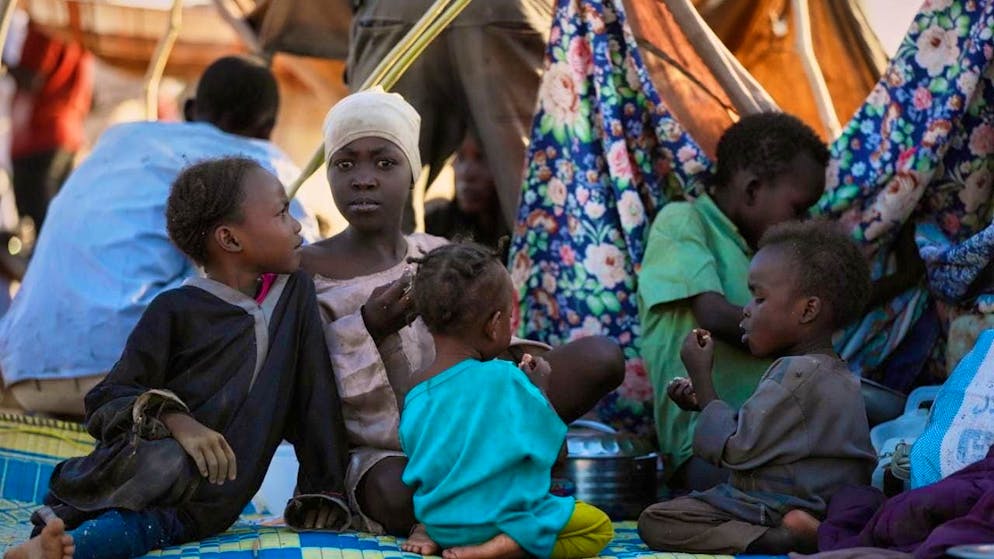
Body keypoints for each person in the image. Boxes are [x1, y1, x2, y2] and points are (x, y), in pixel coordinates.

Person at [300, 88, 624, 537]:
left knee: (601, 357)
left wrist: (527, 379)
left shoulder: (436, 252)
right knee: (397, 495)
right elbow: (303, 383)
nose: (364, 178)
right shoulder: (304, 271)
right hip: (385, 448)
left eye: (384, 162)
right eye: (345, 163)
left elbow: (488, 342)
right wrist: (368, 328)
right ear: (329, 173)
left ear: (413, 173)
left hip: (477, 425)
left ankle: (489, 486)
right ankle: (501, 497)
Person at [3, 157, 350, 559]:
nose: (296, 226)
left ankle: (61, 548)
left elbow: (314, 392)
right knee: (164, 466)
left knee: (154, 521)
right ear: (230, 240)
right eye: (281, 212)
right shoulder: (173, 310)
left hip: (213, 500)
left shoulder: (294, 295)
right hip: (149, 474)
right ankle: (56, 545)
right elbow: (106, 399)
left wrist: (322, 489)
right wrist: (177, 421)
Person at [0, 55, 318, 417]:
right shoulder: (256, 163)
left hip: (24, 367)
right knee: (278, 291)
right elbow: (301, 256)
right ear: (267, 128)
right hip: (126, 370)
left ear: (191, 109)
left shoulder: (118, 142)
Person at [637, 221, 877, 555]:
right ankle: (800, 530)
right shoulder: (834, 372)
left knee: (657, 519)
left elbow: (737, 448)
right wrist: (702, 402)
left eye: (759, 298)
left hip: (780, 503)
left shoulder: (794, 374)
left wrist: (703, 379)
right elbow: (767, 436)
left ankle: (785, 538)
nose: (746, 309)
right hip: (826, 503)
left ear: (808, 309)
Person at [636, 112, 829, 491]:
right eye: (799, 207)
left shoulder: (759, 253)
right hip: (705, 449)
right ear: (754, 189)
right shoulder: (683, 221)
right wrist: (802, 336)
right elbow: (711, 315)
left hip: (769, 440)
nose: (805, 223)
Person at [397, 242, 613, 559]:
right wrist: (540, 388)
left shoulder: (415, 390)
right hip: (501, 522)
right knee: (598, 527)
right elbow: (557, 453)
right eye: (509, 317)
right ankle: (503, 547)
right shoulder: (505, 377)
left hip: (443, 523)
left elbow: (422, 458)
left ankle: (428, 532)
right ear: (494, 324)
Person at [346, 0, 552, 231]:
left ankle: (384, 263)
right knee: (538, 200)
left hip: (394, 13)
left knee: (380, 194)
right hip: (508, 10)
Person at [8, 18, 93, 231]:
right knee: (56, 223)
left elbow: (33, 78)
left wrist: (7, 66)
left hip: (41, 135)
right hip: (68, 135)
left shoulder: (46, 27)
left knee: (41, 225)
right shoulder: (78, 31)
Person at [424, 134, 509, 258]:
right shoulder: (435, 228)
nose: (466, 173)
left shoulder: (523, 233)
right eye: (461, 157)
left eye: (481, 158)